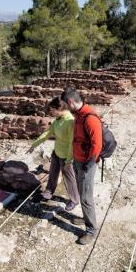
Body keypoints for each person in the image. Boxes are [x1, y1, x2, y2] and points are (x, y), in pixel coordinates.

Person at [61, 87, 102, 245]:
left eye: (65, 105)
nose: (65, 108)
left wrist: (88, 164)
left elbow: (97, 145)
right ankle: (86, 218)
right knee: (80, 192)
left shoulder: (90, 118)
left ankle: (91, 231)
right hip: (78, 161)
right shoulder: (78, 115)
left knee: (85, 197)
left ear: (70, 102)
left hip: (86, 164)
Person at [27, 96, 79, 211]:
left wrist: (69, 160)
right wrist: (34, 144)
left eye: (52, 110)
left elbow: (72, 142)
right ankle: (49, 192)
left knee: (69, 178)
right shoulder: (58, 120)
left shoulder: (70, 121)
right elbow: (47, 133)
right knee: (53, 174)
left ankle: (74, 200)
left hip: (66, 155)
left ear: (59, 108)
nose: (51, 113)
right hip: (56, 152)